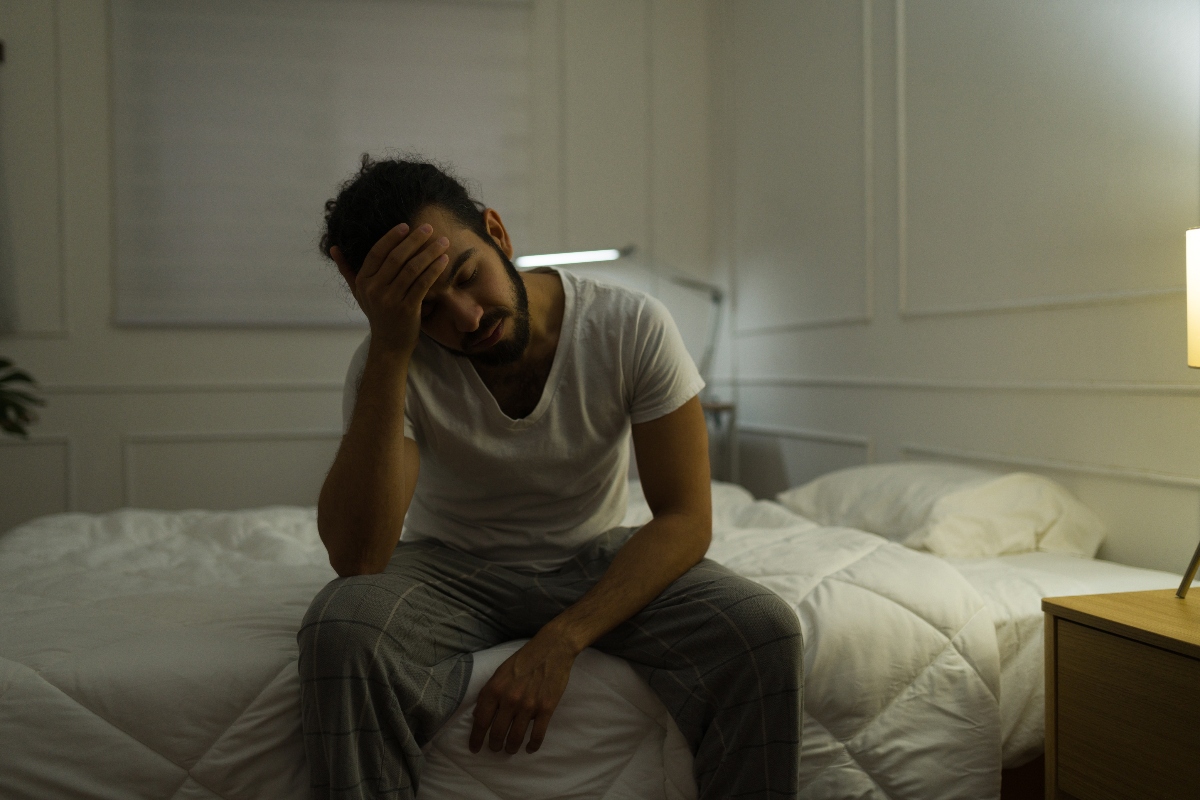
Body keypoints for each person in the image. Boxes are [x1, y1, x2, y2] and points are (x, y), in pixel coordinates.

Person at [298, 156, 803, 800]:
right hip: (451, 570)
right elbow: (360, 559)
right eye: (427, 308)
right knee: (340, 630)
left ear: (497, 233)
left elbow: (685, 518)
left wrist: (561, 640)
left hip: (594, 559)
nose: (466, 318)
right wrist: (392, 346)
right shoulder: (389, 361)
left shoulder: (629, 324)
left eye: (467, 276)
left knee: (763, 631)